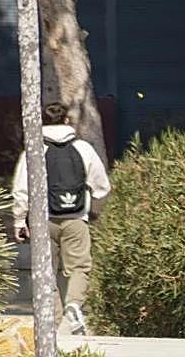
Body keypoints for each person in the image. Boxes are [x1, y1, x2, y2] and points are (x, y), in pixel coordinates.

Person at [12, 102, 111, 336]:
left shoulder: (34, 151)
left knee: (46, 270)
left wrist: (19, 221)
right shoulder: (83, 148)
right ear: (67, 120)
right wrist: (94, 210)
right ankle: (74, 307)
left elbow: (21, 190)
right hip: (76, 218)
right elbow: (101, 187)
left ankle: (54, 324)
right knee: (80, 267)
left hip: (42, 221)